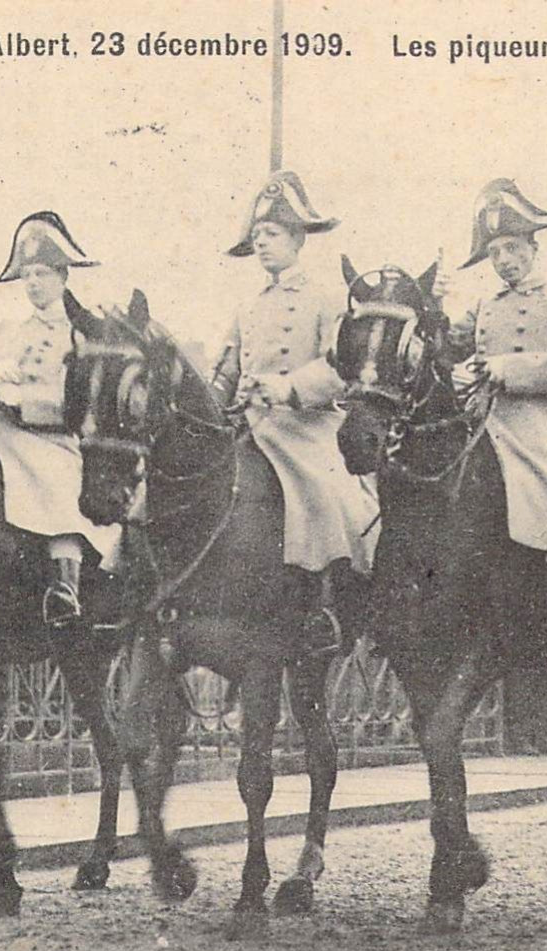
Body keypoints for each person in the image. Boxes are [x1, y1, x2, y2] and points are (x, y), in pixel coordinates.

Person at [431, 178, 547, 751]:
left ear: (533, 247)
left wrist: (505, 368)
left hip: (542, 428)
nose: (504, 260)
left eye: (513, 249)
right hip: (485, 422)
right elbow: (449, 353)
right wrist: (442, 328)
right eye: (496, 252)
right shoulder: (483, 305)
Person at [211, 170, 378, 646]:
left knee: (323, 492)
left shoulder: (325, 297)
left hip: (307, 427)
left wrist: (286, 389)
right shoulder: (248, 305)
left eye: (273, 235)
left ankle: (324, 603)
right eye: (258, 236)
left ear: (297, 238)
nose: (262, 244)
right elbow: (225, 365)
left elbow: (338, 367)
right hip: (250, 424)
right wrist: (216, 401)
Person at [0, 211, 121, 624]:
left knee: (58, 481)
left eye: (43, 274)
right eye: (28, 274)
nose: (33, 283)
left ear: (63, 276)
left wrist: (20, 399)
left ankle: (66, 586)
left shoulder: (81, 332)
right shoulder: (7, 328)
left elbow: (79, 399)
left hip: (51, 438)